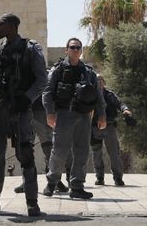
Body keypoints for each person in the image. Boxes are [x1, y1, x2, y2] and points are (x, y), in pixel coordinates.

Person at [0, 13, 47, 217]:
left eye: (1, 25)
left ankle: (32, 202)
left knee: (26, 154)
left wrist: (27, 98)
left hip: (21, 109)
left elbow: (42, 80)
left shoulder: (31, 48)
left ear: (12, 26)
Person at [42, 37, 106, 199]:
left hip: (84, 116)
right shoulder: (58, 70)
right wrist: (50, 113)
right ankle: (52, 183)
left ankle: (77, 186)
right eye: (72, 47)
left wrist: (102, 115)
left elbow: (98, 95)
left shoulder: (88, 72)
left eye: (78, 47)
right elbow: (47, 92)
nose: (75, 50)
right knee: (59, 151)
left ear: (81, 50)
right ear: (66, 50)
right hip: (64, 115)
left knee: (82, 151)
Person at [13, 99, 69, 194]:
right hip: (25, 110)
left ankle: (55, 180)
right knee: (25, 147)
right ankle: (26, 181)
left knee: (48, 147)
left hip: (41, 110)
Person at [91, 74, 136, 186]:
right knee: (96, 153)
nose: (99, 82)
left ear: (104, 82)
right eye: (97, 80)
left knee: (114, 153)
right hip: (94, 128)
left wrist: (125, 111)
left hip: (109, 127)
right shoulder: (90, 95)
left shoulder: (110, 95)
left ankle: (118, 178)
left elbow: (120, 104)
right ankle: (99, 177)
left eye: (101, 80)